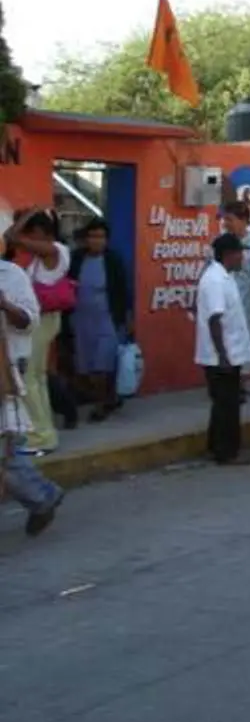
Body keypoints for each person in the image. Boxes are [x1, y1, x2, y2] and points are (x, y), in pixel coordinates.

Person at [0, 242, 63, 535]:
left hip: (6, 370)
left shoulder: (10, 275)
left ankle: (43, 496)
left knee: (8, 453)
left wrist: (4, 304)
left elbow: (29, 321)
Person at [5, 209, 72, 455]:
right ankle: (44, 431)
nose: (27, 238)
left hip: (42, 321)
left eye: (31, 232)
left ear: (41, 232)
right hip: (46, 320)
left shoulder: (54, 250)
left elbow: (12, 237)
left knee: (28, 379)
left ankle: (39, 435)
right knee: (38, 378)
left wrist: (31, 212)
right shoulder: (52, 253)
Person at [194, 234, 250, 465]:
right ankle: (227, 452)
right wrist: (223, 356)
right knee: (227, 405)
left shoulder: (223, 277)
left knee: (223, 403)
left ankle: (216, 447)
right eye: (241, 253)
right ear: (230, 254)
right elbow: (215, 320)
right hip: (221, 356)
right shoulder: (216, 280)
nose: (243, 257)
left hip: (228, 353)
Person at [69, 219, 130, 422]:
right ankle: (109, 398)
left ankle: (101, 406)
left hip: (107, 318)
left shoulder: (113, 260)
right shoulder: (76, 258)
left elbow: (123, 291)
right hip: (81, 319)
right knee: (84, 367)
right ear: (86, 239)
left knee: (102, 366)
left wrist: (128, 319)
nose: (96, 241)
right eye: (93, 236)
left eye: (101, 237)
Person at [220, 201, 250, 393]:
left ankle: (239, 384)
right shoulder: (220, 243)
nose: (226, 223)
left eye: (230, 219)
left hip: (247, 306)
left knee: (246, 345)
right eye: (225, 219)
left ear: (243, 220)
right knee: (224, 345)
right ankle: (227, 384)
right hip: (224, 306)